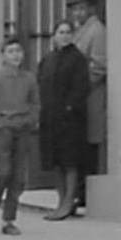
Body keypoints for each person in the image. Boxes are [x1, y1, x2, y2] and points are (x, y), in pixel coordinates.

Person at [0, 37, 40, 235]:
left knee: (18, 176)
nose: (16, 55)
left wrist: (30, 120)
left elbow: (35, 104)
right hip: (3, 130)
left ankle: (9, 220)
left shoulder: (29, 78)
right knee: (3, 172)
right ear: (4, 56)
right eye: (11, 51)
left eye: (18, 51)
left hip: (22, 129)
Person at [37, 19, 90, 221]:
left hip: (70, 120)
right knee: (55, 162)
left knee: (70, 162)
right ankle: (60, 201)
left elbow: (81, 88)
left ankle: (69, 201)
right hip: (49, 119)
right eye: (61, 31)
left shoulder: (77, 59)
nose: (65, 35)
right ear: (54, 36)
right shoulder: (48, 58)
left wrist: (69, 108)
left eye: (68, 32)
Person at [68, 0, 107, 206]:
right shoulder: (78, 31)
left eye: (82, 8)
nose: (78, 13)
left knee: (88, 147)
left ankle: (85, 194)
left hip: (89, 97)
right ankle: (78, 192)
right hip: (78, 99)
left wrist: (79, 86)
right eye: (75, 9)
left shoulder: (97, 31)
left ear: (90, 9)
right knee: (78, 145)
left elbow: (99, 67)